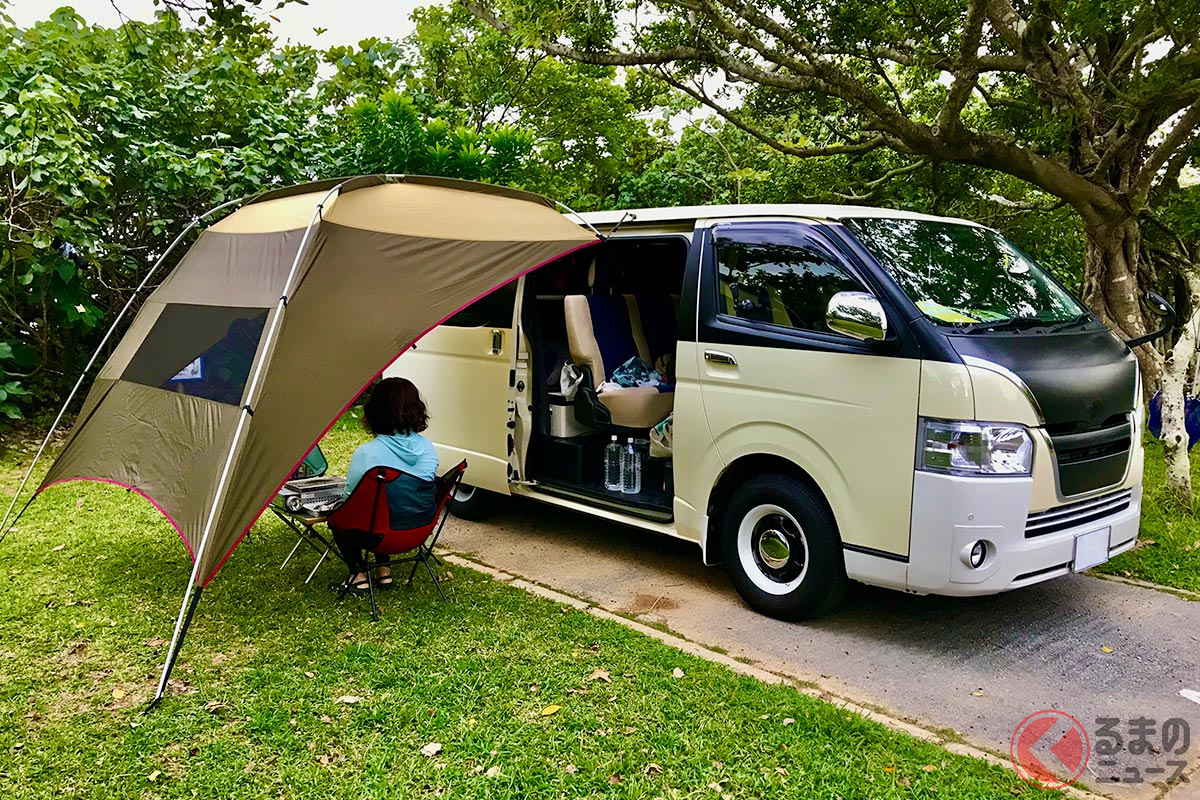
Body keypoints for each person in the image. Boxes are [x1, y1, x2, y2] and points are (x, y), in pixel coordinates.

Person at [331, 377, 439, 595]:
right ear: (416, 408)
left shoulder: (366, 454)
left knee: (339, 514)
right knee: (389, 504)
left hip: (379, 535)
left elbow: (349, 501)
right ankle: (384, 572)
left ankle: (359, 577)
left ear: (375, 410)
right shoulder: (429, 449)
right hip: (418, 531)